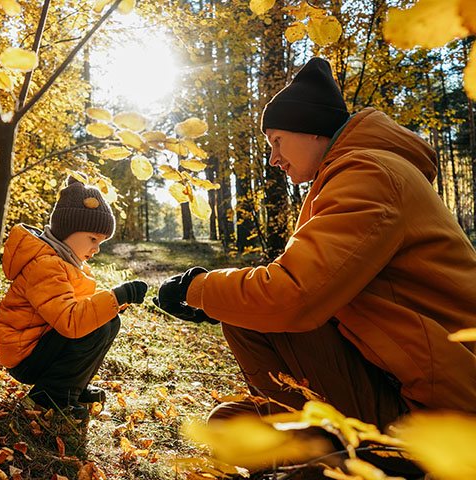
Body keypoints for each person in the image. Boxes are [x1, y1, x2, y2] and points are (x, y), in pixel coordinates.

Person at [155, 58, 476, 431]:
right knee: (228, 425)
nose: (274, 158)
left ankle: (327, 461)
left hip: (442, 410)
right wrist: (217, 303)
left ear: (313, 131)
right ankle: (312, 452)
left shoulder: (370, 175)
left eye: (277, 141)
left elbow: (295, 294)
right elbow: (326, 289)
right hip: (407, 381)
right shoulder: (359, 173)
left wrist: (200, 289)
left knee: (250, 327)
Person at [0, 175, 148, 419]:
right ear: (68, 230)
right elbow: (71, 321)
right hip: (25, 355)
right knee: (95, 328)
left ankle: (72, 387)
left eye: (101, 242)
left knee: (108, 322)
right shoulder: (45, 265)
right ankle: (50, 396)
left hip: (42, 343)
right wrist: (115, 297)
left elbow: (77, 306)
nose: (97, 249)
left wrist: (114, 304)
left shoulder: (67, 262)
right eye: (93, 239)